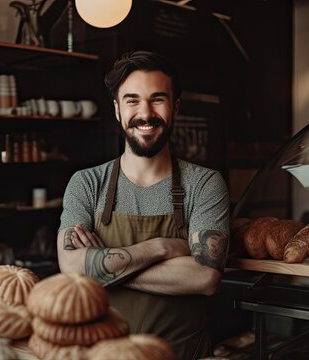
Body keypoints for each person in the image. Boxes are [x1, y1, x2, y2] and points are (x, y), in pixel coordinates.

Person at [56, 50, 230, 359]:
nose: (145, 113)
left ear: (175, 107)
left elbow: (205, 277)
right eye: (132, 100)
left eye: (157, 99)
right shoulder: (86, 183)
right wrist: (162, 248)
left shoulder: (204, 183)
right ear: (117, 110)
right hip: (103, 354)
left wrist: (101, 267)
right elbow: (71, 267)